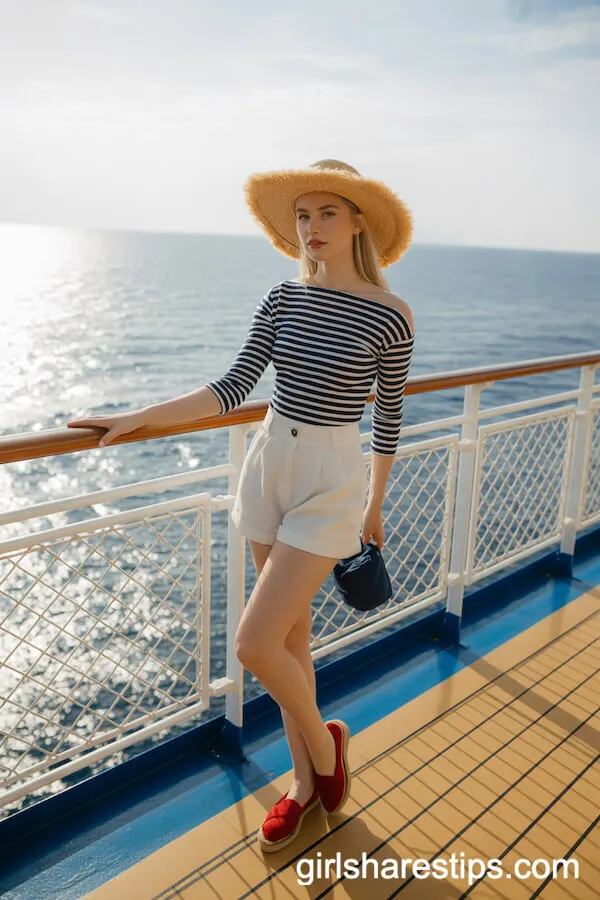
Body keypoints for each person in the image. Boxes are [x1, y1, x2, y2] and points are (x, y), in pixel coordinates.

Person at [67, 158, 415, 853]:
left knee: (254, 645)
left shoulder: (391, 315)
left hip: (332, 478)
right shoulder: (283, 299)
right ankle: (306, 782)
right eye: (303, 216)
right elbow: (232, 387)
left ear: (357, 223)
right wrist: (137, 418)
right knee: (288, 642)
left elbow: (389, 416)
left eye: (327, 213)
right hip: (268, 465)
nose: (312, 228)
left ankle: (326, 749)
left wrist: (375, 502)